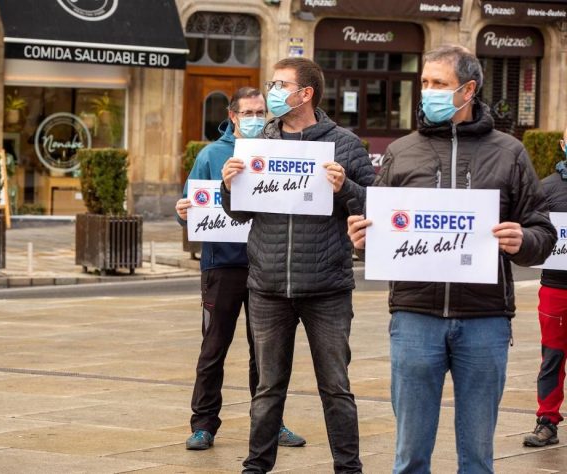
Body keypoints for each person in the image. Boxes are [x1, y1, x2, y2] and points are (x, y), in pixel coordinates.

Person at [347, 45, 556, 473]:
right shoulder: (402, 151)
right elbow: (377, 226)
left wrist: (524, 240)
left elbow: (542, 231)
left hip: (485, 321)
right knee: (409, 455)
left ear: (468, 89)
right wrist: (361, 238)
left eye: (438, 84)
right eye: (424, 83)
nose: (427, 92)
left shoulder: (509, 152)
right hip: (414, 317)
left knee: (478, 457)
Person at [221, 58, 375, 474]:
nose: (272, 91)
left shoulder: (344, 143)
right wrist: (228, 185)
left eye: (279, 84)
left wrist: (347, 187)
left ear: (305, 94)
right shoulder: (259, 143)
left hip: (327, 287)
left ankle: (348, 467)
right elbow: (238, 214)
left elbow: (375, 205)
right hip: (268, 285)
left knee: (336, 388)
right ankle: (256, 466)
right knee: (268, 388)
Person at [175, 86, 306, 451]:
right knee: (213, 347)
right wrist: (182, 211)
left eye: (259, 113)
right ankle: (203, 425)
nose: (254, 119)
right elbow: (187, 207)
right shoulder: (211, 156)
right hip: (222, 267)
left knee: (266, 351)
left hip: (266, 265)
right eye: (246, 113)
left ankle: (271, 422)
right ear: (232, 116)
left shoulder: (276, 151)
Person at [523, 126, 567, 448]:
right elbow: (532, 233)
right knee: (552, 357)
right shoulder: (547, 189)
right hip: (556, 288)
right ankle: (546, 421)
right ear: (563, 144)